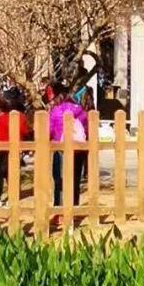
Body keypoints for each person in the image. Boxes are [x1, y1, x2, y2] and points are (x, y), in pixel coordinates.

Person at [48, 81, 88, 210]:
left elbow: (49, 130)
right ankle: (74, 207)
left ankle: (59, 208)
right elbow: (86, 128)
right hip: (78, 149)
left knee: (59, 179)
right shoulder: (80, 110)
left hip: (61, 148)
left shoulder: (56, 110)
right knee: (75, 179)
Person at [0, 89, 28, 206]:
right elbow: (25, 130)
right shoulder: (20, 116)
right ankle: (9, 196)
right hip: (8, 147)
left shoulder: (3, 116)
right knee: (8, 171)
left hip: (7, 147)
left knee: (4, 171)